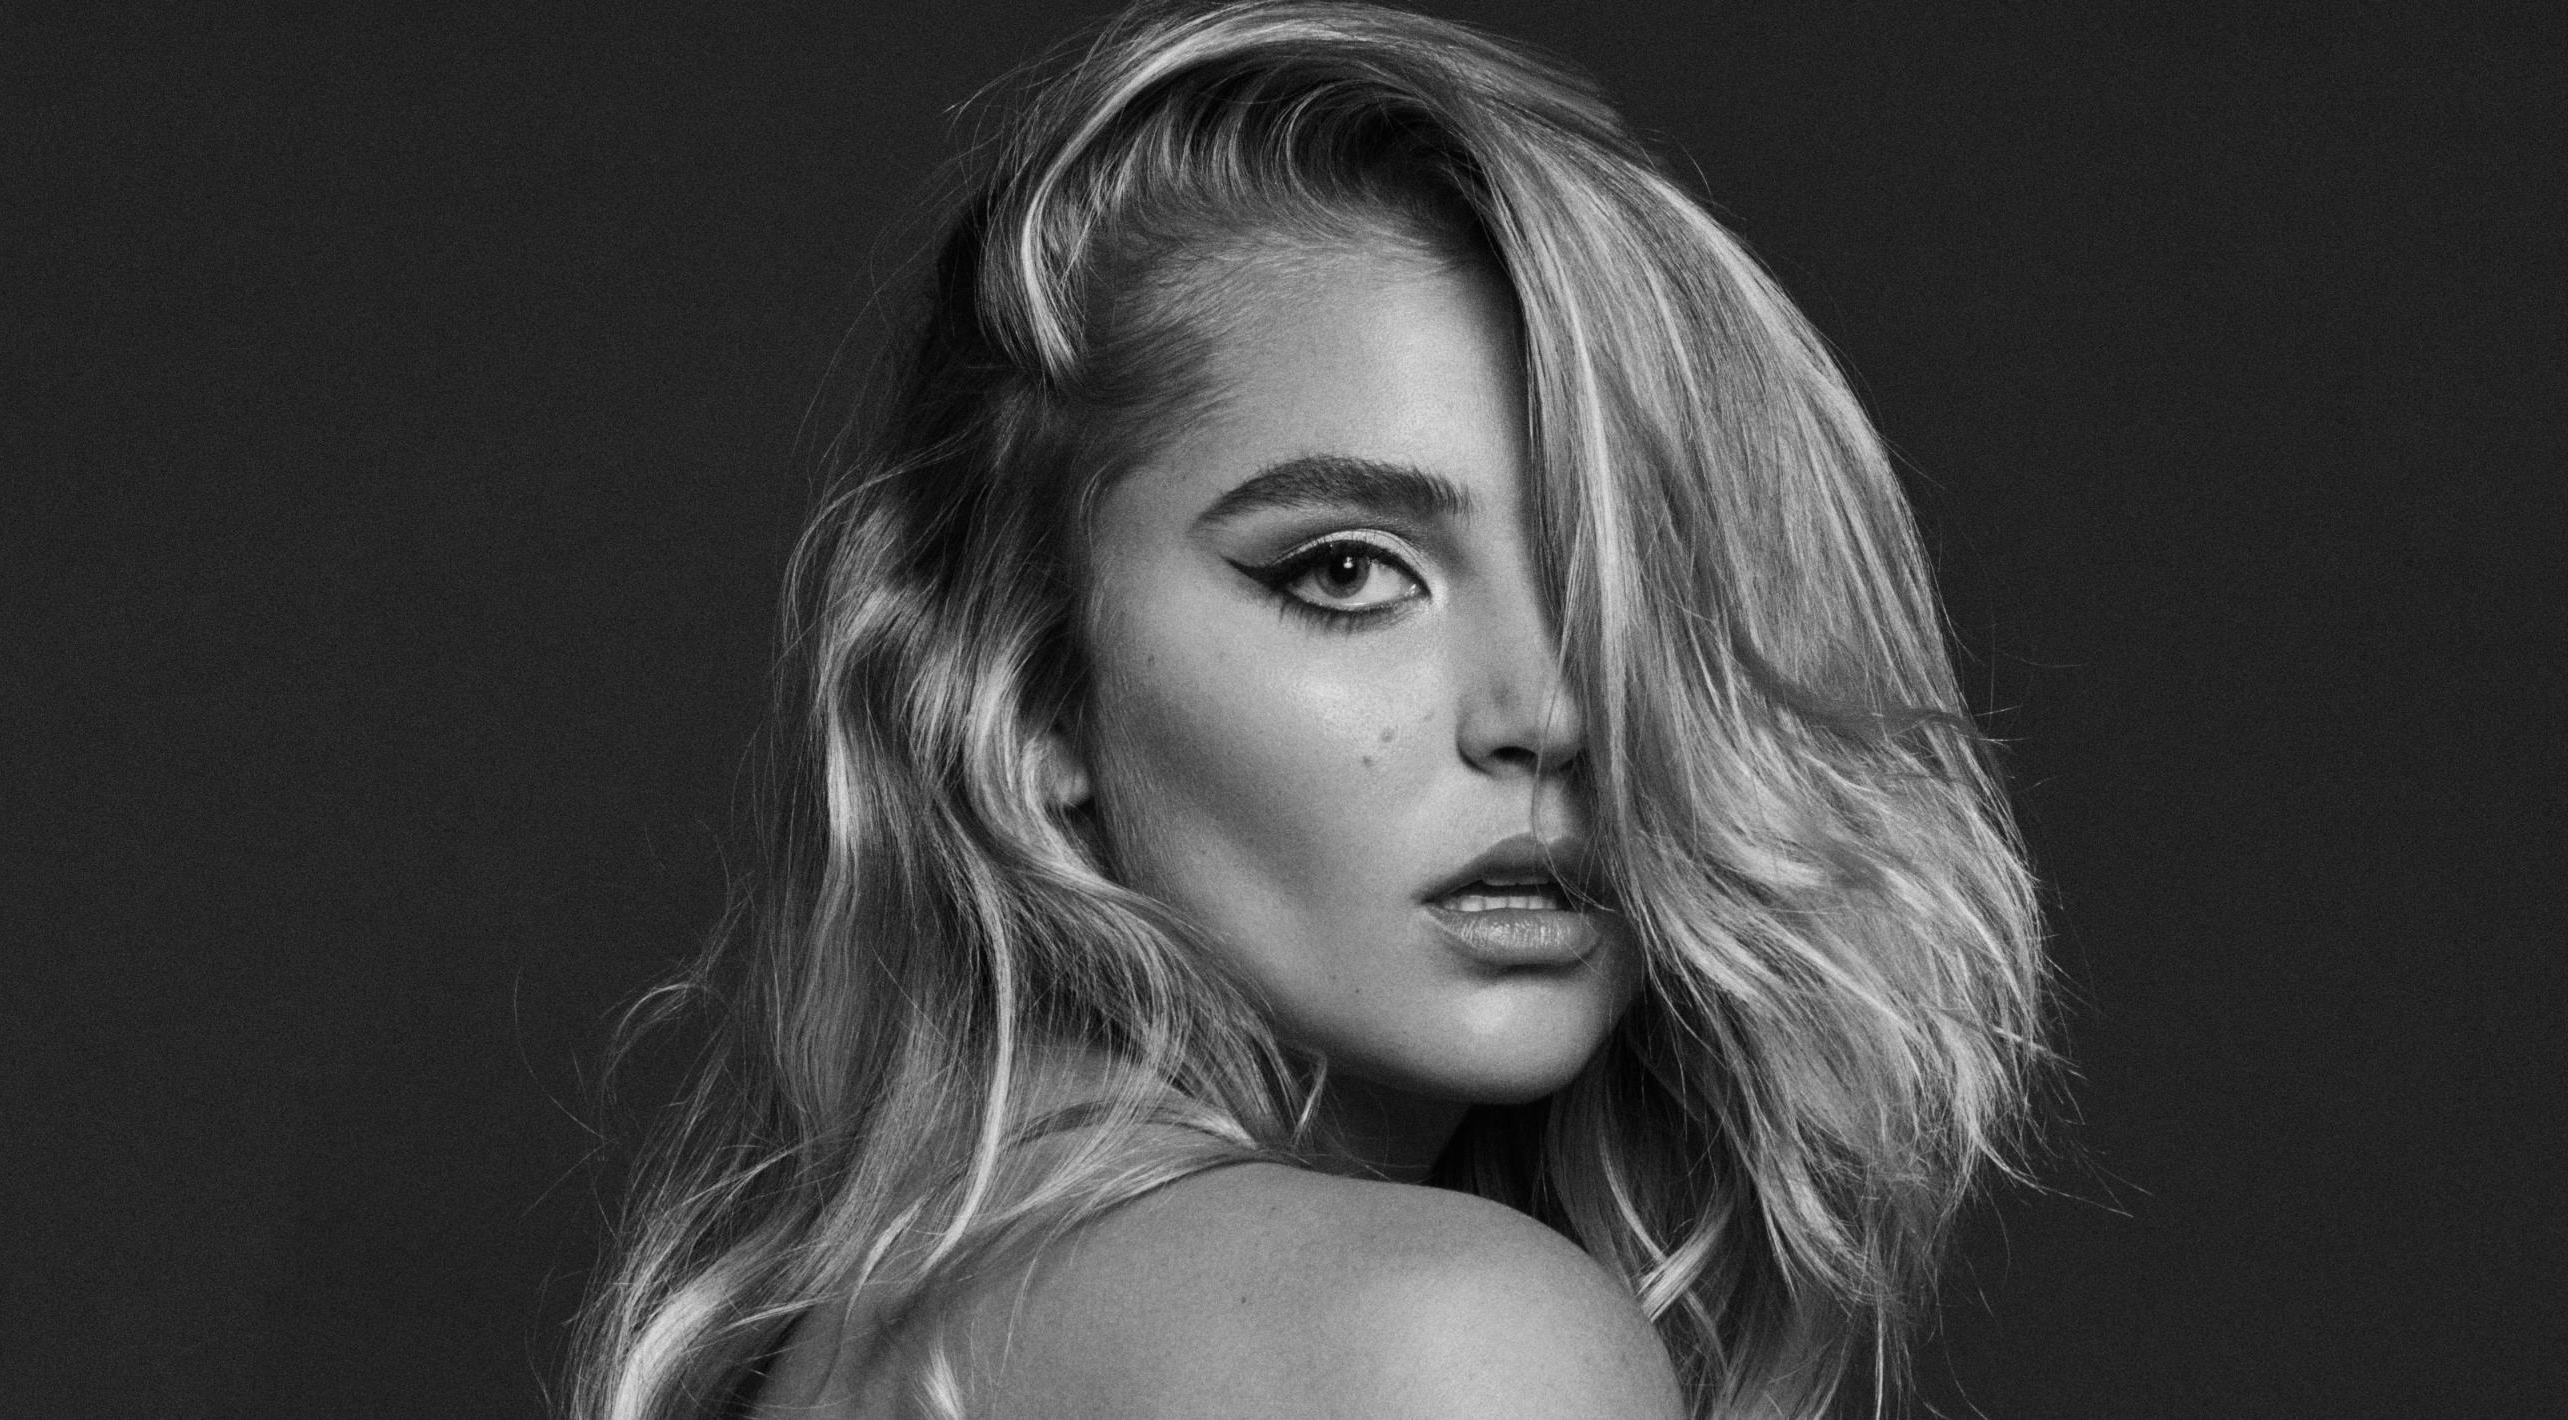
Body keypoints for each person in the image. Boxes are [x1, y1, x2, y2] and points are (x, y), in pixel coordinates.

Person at [572, 3, 2048, 1416]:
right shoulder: (1441, 1337)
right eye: (1347, 572)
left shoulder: (873, 1340)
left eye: (1623, 577)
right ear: (1028, 688)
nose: (1549, 713)